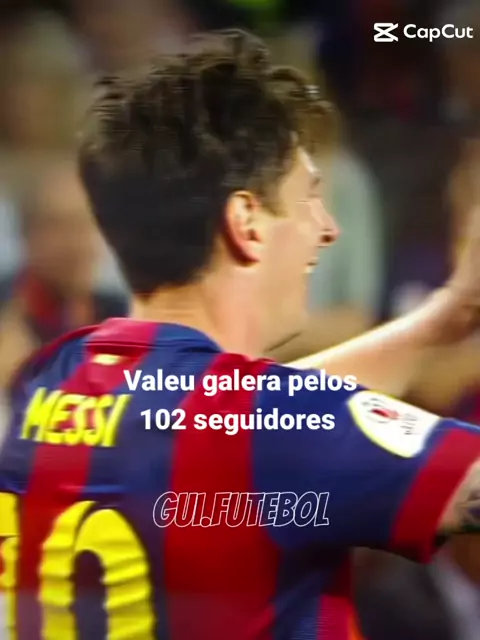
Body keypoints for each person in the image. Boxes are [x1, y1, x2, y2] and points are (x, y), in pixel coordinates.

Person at [1, 29, 480, 640]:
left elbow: (235, 420)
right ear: (246, 221)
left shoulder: (50, 381)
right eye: (309, 197)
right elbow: (271, 421)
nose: (327, 228)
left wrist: (444, 316)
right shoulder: (270, 427)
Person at [0, 160, 127, 389]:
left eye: (86, 224)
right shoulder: (9, 315)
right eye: (59, 227)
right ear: (28, 235)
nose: (76, 245)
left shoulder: (122, 317)